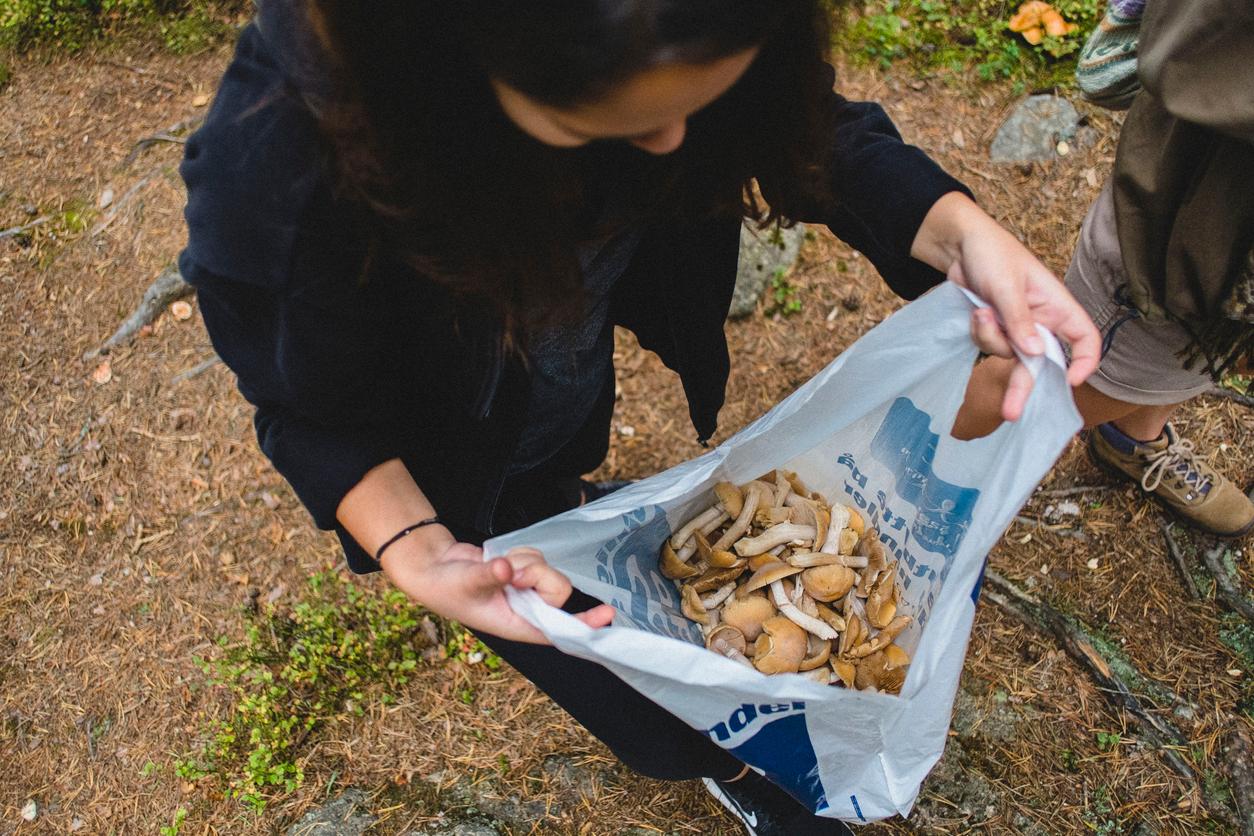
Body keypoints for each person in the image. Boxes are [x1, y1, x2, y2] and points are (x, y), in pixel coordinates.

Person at [178, 1, 1099, 831]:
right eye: (605, 119)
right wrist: (418, 543)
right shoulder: (282, 177)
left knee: (557, 426)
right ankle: (724, 755)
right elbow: (310, 406)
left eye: (709, 90)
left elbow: (805, 130)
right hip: (443, 426)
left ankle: (556, 472)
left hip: (554, 345)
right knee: (589, 620)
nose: (674, 143)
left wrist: (959, 233)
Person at [955, 0, 1254, 539]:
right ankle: (928, 478)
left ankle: (1130, 439)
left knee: (1171, 371)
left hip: (1222, 294)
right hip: (1176, 251)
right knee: (1045, 378)